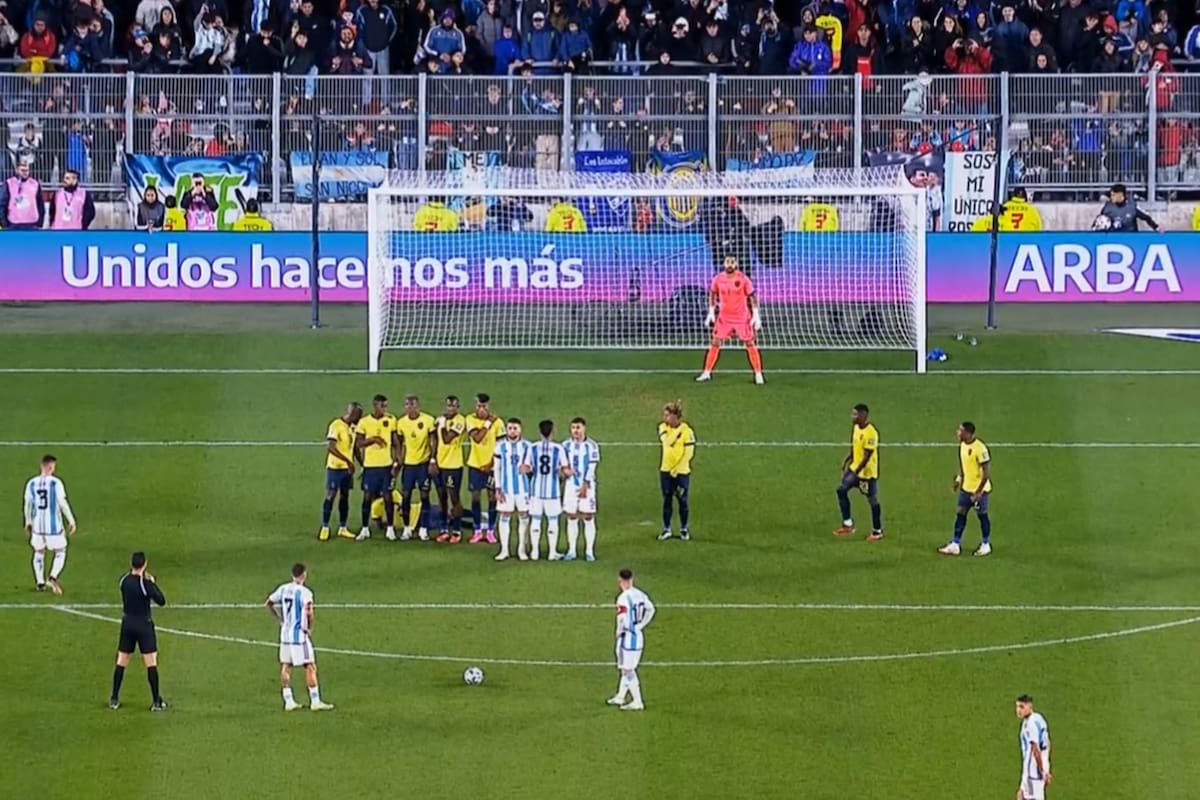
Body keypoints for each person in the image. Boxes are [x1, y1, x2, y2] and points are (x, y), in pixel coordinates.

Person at [266, 563, 334, 711]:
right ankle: (315, 701)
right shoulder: (305, 592)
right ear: (304, 575)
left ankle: (288, 701)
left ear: (292, 575)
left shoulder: (283, 589)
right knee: (310, 665)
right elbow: (309, 612)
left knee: (286, 666)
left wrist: (280, 620)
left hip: (285, 635)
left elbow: (269, 603)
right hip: (299, 637)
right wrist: (309, 628)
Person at [110, 551, 167, 711]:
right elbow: (161, 601)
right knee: (150, 663)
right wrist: (152, 583)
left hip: (127, 623)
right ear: (145, 564)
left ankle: (114, 698)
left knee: (122, 660)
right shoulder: (145, 583)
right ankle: (156, 701)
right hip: (143, 625)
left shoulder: (124, 581)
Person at [697, 255, 764, 385]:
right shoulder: (718, 279)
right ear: (724, 263)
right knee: (715, 342)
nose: (730, 264)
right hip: (724, 318)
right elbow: (712, 293)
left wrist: (756, 315)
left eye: (732, 262)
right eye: (727, 262)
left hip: (742, 317)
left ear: (736, 264)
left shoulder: (743, 279)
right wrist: (711, 312)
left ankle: (758, 374)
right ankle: (706, 372)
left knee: (750, 343)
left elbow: (752, 296)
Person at [24, 455, 77, 594]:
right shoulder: (55, 483)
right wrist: (71, 520)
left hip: (37, 527)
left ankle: (40, 582)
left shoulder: (31, 483)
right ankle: (53, 576)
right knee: (60, 551)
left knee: (39, 552)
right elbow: (62, 503)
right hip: (53, 527)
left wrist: (28, 521)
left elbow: (27, 504)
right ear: (49, 467)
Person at [939, 421, 993, 556]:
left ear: (968, 433)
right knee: (960, 513)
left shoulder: (980, 448)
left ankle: (986, 544)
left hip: (979, 491)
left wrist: (979, 492)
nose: (958, 432)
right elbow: (964, 466)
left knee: (982, 516)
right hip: (966, 488)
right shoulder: (962, 445)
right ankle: (955, 544)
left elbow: (986, 473)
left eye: (960, 430)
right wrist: (958, 480)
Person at [607, 568, 656, 711]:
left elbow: (622, 618)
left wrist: (618, 632)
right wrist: (641, 625)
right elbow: (651, 609)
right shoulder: (640, 594)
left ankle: (637, 701)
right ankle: (621, 696)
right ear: (632, 579)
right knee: (625, 668)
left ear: (620, 581)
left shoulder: (623, 598)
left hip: (627, 638)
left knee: (628, 670)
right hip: (638, 636)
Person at [834, 404, 883, 541]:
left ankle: (877, 531)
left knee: (872, 500)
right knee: (841, 490)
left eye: (855, 414)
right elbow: (855, 447)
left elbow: (867, 456)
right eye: (852, 414)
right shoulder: (856, 428)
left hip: (867, 474)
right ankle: (847, 524)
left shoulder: (871, 433)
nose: (852, 417)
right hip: (855, 469)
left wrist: (856, 473)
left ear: (864, 415)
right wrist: (847, 460)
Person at [354, 394, 399, 541]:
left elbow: (396, 443)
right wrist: (373, 439)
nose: (384, 409)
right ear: (375, 405)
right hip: (370, 466)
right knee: (367, 497)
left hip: (386, 466)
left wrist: (396, 462)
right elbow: (359, 443)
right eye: (382, 406)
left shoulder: (391, 420)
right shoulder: (364, 422)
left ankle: (390, 529)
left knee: (388, 496)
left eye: (386, 406)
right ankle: (365, 528)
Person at [525, 419, 570, 560]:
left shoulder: (532, 448)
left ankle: (534, 552)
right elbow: (564, 470)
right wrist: (561, 479)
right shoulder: (559, 448)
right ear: (553, 431)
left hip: (535, 490)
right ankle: (552, 552)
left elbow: (527, 468)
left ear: (539, 432)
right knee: (552, 521)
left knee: (536, 520)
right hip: (553, 491)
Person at [396, 394, 437, 541]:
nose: (410, 407)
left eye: (412, 404)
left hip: (423, 465)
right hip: (408, 465)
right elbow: (398, 443)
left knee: (424, 495)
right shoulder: (401, 423)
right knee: (406, 495)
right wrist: (398, 461)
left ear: (417, 405)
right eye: (407, 404)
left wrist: (432, 459)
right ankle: (407, 528)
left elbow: (433, 441)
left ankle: (423, 529)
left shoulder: (428, 420)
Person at [320, 402, 363, 541]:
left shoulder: (353, 428)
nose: (359, 418)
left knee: (345, 497)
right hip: (335, 468)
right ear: (351, 413)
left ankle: (343, 528)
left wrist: (363, 464)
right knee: (331, 495)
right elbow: (331, 447)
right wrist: (347, 461)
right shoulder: (336, 425)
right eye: (358, 415)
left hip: (347, 470)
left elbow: (355, 448)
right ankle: (325, 527)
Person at [466, 393, 504, 545]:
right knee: (475, 497)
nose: (481, 409)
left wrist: (491, 464)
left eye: (484, 406)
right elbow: (477, 438)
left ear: (488, 406)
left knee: (492, 497)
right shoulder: (470, 419)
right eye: (479, 406)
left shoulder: (498, 422)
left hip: (492, 467)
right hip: (475, 464)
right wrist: (488, 423)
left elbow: (501, 445)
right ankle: (476, 530)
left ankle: (490, 531)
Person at [492, 418, 532, 561]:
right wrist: (497, 488)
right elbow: (496, 468)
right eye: (510, 428)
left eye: (515, 428)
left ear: (520, 429)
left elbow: (533, 466)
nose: (512, 431)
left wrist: (529, 468)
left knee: (523, 516)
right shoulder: (500, 446)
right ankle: (504, 550)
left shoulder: (528, 446)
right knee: (505, 516)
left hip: (523, 489)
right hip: (506, 489)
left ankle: (522, 550)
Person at [562, 417, 600, 561]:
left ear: (584, 428)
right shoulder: (565, 445)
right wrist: (565, 470)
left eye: (578, 427)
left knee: (588, 516)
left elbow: (592, 466)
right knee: (571, 516)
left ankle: (589, 551)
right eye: (573, 428)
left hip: (587, 486)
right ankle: (571, 550)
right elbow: (561, 463)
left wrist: (585, 483)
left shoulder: (592, 445)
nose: (575, 431)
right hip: (571, 485)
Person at [657, 400, 695, 542]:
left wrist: (677, 469)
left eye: (668, 415)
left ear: (675, 416)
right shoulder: (663, 428)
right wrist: (679, 430)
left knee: (682, 501)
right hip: (665, 471)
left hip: (682, 473)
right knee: (667, 499)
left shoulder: (688, 432)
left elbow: (688, 454)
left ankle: (684, 529)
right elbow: (667, 442)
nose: (665, 418)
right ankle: (667, 529)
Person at [434, 395, 467, 543]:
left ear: (458, 408)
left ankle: (457, 530)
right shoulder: (442, 419)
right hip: (440, 464)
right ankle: (443, 529)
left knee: (454, 498)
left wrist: (441, 425)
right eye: (448, 406)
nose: (450, 408)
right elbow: (435, 440)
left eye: (453, 406)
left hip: (453, 466)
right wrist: (433, 460)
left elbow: (447, 439)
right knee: (442, 497)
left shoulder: (460, 421)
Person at [1016, 695, 1052, 799]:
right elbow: (1048, 743)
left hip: (1033, 771)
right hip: (1035, 768)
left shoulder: (1031, 724)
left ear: (1030, 706)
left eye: (1022, 707)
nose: (1018, 710)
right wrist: (1046, 766)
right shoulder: (1038, 718)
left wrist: (1042, 771)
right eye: (1017, 707)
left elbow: (1035, 748)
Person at [970, 187, 1043, 232]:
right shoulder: (1032, 210)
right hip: (1024, 241)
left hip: (1006, 239)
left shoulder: (1004, 207)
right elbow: (1039, 229)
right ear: (1025, 197)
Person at [1093, 183, 1160, 232]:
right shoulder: (1108, 207)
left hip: (1131, 238)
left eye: (1113, 195)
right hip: (1115, 238)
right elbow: (1099, 220)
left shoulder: (1132, 206)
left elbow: (1146, 217)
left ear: (1121, 195)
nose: (1111, 197)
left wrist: (1156, 227)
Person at [1, 161, 46, 230]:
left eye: (27, 170)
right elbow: (2, 204)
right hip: (13, 224)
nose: (25, 172)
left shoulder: (35, 184)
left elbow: (40, 204)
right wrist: (4, 224)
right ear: (17, 170)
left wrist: (40, 223)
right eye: (22, 170)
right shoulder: (9, 183)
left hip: (32, 223)